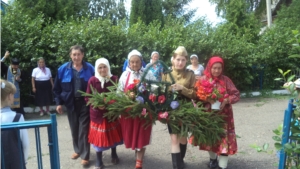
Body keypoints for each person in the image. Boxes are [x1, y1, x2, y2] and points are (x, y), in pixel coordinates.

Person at [192, 56, 240, 169]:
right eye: (214, 68)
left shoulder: (226, 80)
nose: (217, 71)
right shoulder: (203, 80)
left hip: (224, 117)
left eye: (219, 68)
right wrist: (205, 99)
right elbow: (195, 96)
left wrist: (227, 100)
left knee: (224, 140)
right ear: (210, 67)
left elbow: (236, 95)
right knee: (210, 138)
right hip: (208, 116)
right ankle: (213, 160)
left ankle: (222, 166)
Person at [53, 45, 94, 167]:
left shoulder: (90, 68)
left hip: (85, 103)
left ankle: (85, 156)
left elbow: (96, 85)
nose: (76, 57)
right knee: (74, 128)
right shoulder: (62, 69)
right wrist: (58, 103)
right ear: (70, 55)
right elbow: (56, 89)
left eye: (79, 54)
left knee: (84, 129)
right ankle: (77, 150)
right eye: (74, 54)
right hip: (70, 103)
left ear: (83, 55)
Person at [162, 46, 197, 169]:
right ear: (173, 60)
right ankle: (177, 166)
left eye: (183, 60)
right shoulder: (166, 74)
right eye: (178, 59)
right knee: (174, 139)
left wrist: (183, 89)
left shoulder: (190, 75)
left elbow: (195, 94)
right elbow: (161, 92)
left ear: (186, 61)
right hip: (171, 111)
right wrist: (169, 90)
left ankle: (180, 161)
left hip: (186, 109)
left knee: (183, 138)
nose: (180, 62)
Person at [85, 58, 123, 169]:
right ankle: (99, 160)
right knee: (99, 137)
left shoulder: (114, 79)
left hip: (111, 113)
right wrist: (96, 104)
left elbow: (119, 95)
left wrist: (112, 102)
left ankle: (114, 153)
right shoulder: (92, 80)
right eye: (100, 67)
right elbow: (87, 97)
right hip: (98, 115)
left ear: (108, 67)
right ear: (97, 69)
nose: (103, 69)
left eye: (105, 67)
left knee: (112, 134)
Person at [118, 49, 152, 169]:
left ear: (141, 62)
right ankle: (136, 154)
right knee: (132, 135)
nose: (134, 64)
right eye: (132, 62)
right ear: (128, 63)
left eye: (137, 62)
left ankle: (139, 162)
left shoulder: (147, 74)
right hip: (129, 112)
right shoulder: (125, 75)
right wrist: (128, 96)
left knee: (142, 135)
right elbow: (119, 92)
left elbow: (154, 90)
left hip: (143, 111)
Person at [1, 79, 29, 169]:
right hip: (15, 162)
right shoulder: (18, 117)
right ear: (9, 96)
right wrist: (24, 160)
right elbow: (25, 144)